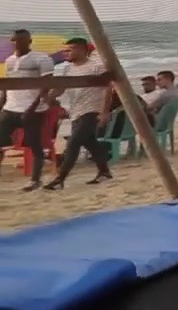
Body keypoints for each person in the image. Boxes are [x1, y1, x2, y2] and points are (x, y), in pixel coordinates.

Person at [46, 38, 113, 189]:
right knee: (90, 143)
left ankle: (60, 179)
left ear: (83, 50)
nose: (66, 53)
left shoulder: (97, 67)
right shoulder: (67, 69)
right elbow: (61, 89)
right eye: (65, 50)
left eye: (70, 49)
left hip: (92, 110)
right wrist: (49, 96)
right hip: (75, 111)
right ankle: (105, 172)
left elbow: (109, 88)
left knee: (73, 143)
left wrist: (105, 112)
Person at [1, 29, 57, 190]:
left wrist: (32, 108)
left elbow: (47, 85)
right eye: (14, 40)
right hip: (10, 107)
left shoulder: (41, 58)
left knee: (34, 144)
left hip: (33, 109)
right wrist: (2, 104)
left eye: (21, 40)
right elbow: (7, 85)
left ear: (29, 41)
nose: (17, 43)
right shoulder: (10, 60)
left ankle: (35, 180)